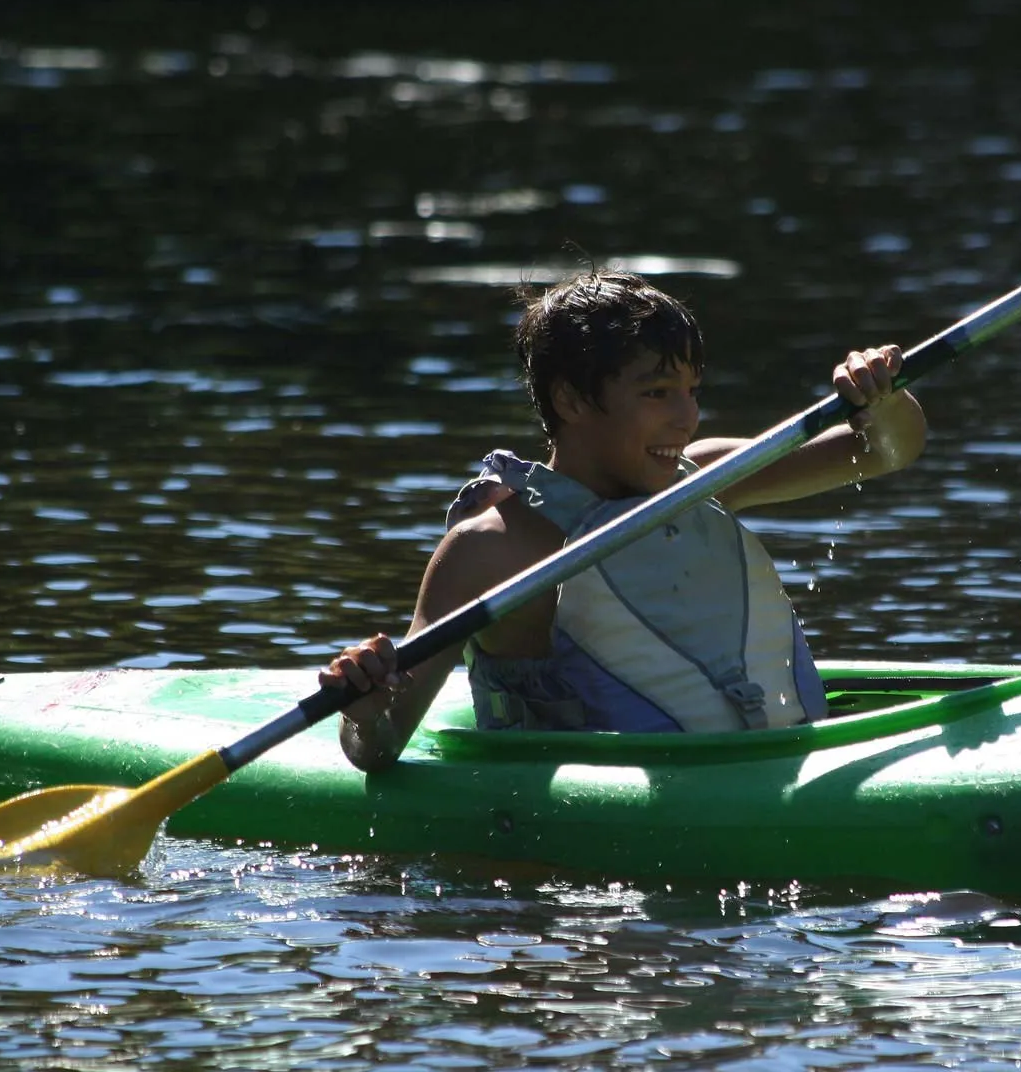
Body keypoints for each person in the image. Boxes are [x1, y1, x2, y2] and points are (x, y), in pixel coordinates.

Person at [321, 270, 926, 771]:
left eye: (692, 390)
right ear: (571, 400)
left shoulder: (706, 477)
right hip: (596, 859)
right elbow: (380, 749)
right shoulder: (491, 551)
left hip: (768, 766)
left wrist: (884, 400)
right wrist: (366, 709)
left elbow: (886, 451)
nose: (686, 418)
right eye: (658, 393)